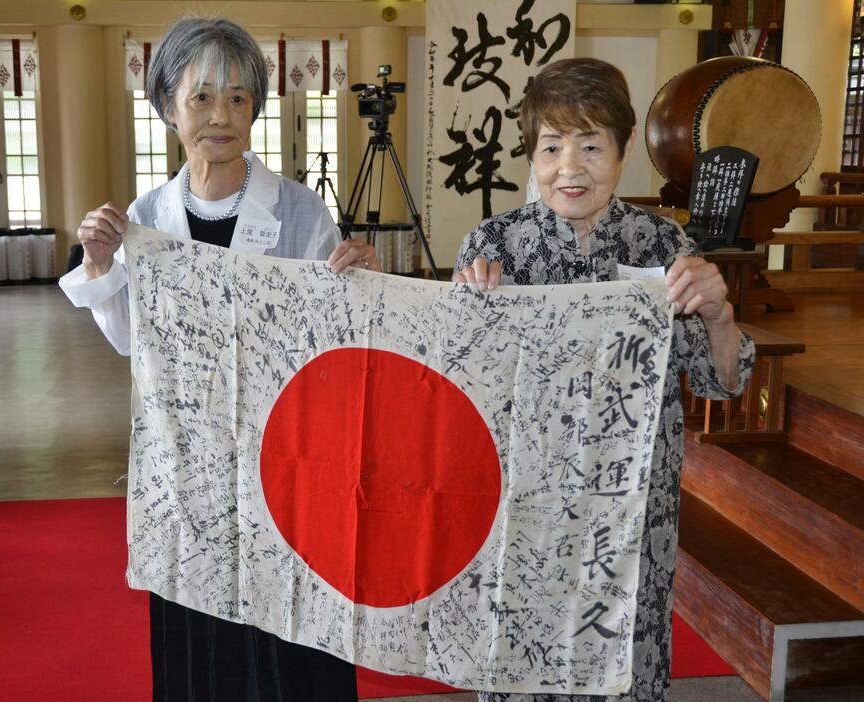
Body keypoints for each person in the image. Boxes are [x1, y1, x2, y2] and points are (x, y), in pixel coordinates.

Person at [59, 16, 376, 701]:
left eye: (237, 97)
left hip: (286, 458)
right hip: (189, 460)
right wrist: (98, 262)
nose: (220, 116)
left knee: (288, 633)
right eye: (201, 97)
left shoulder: (299, 211)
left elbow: (334, 337)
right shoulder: (145, 217)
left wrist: (361, 277)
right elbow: (130, 343)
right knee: (201, 621)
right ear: (169, 108)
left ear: (256, 108)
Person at [454, 58, 755, 702]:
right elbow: (459, 399)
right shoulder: (493, 249)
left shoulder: (663, 247)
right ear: (531, 159)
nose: (571, 167)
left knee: (622, 663)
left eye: (591, 146)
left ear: (621, 154)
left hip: (629, 513)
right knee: (519, 666)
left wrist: (720, 312)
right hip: (525, 510)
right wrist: (468, 324)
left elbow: (721, 382)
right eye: (552, 147)